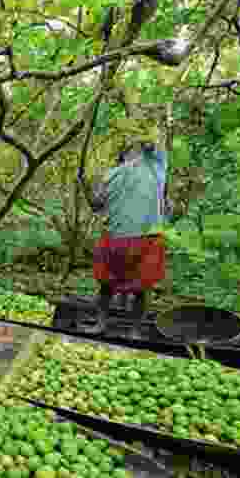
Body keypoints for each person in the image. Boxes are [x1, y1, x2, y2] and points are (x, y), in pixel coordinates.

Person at [83, 134, 167, 336]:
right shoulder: (111, 174)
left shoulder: (154, 165)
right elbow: (97, 205)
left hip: (147, 237)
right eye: (129, 149)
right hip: (115, 235)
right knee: (105, 285)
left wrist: (143, 132)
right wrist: (85, 187)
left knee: (141, 288)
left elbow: (152, 141)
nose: (133, 151)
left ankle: (135, 330)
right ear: (122, 155)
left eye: (135, 148)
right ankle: (100, 324)